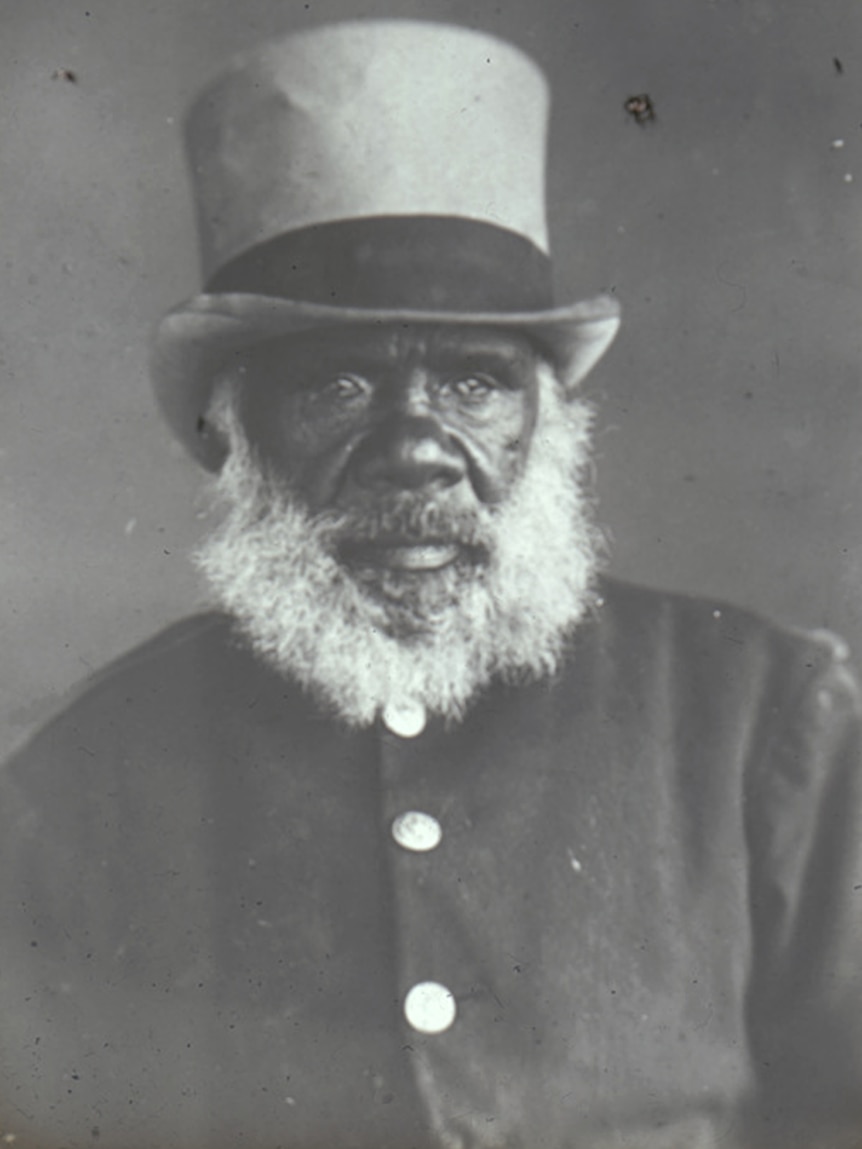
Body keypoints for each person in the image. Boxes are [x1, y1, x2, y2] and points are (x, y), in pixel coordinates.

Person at [0, 19, 860, 1149]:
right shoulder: (76, 786)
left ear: (549, 425)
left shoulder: (762, 722)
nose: (413, 447)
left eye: (469, 382)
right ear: (236, 433)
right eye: (341, 384)